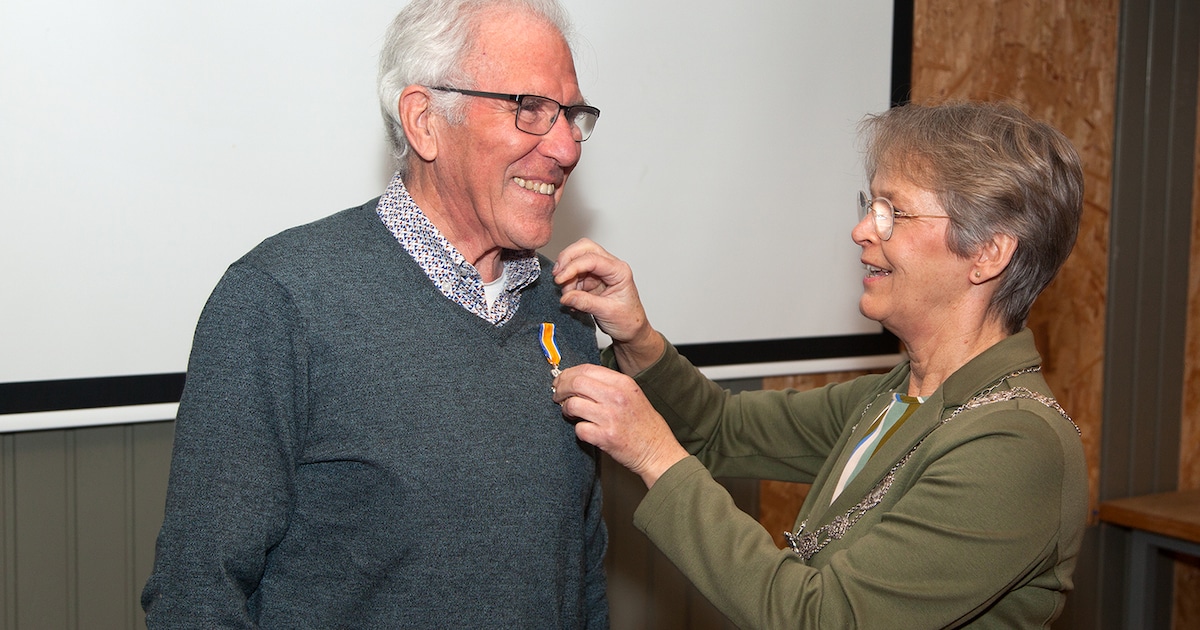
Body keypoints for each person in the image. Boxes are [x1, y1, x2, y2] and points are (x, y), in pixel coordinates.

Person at [141, 0, 608, 626]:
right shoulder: (279, 300)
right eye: (529, 109)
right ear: (423, 121)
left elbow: (581, 571)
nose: (565, 147)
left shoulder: (567, 310)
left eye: (572, 115)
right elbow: (197, 595)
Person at [551, 101, 1088, 628]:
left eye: (891, 213)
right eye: (868, 205)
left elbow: (822, 618)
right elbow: (718, 429)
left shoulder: (1016, 446)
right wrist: (638, 337)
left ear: (988, 253)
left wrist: (652, 454)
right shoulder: (898, 397)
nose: (861, 231)